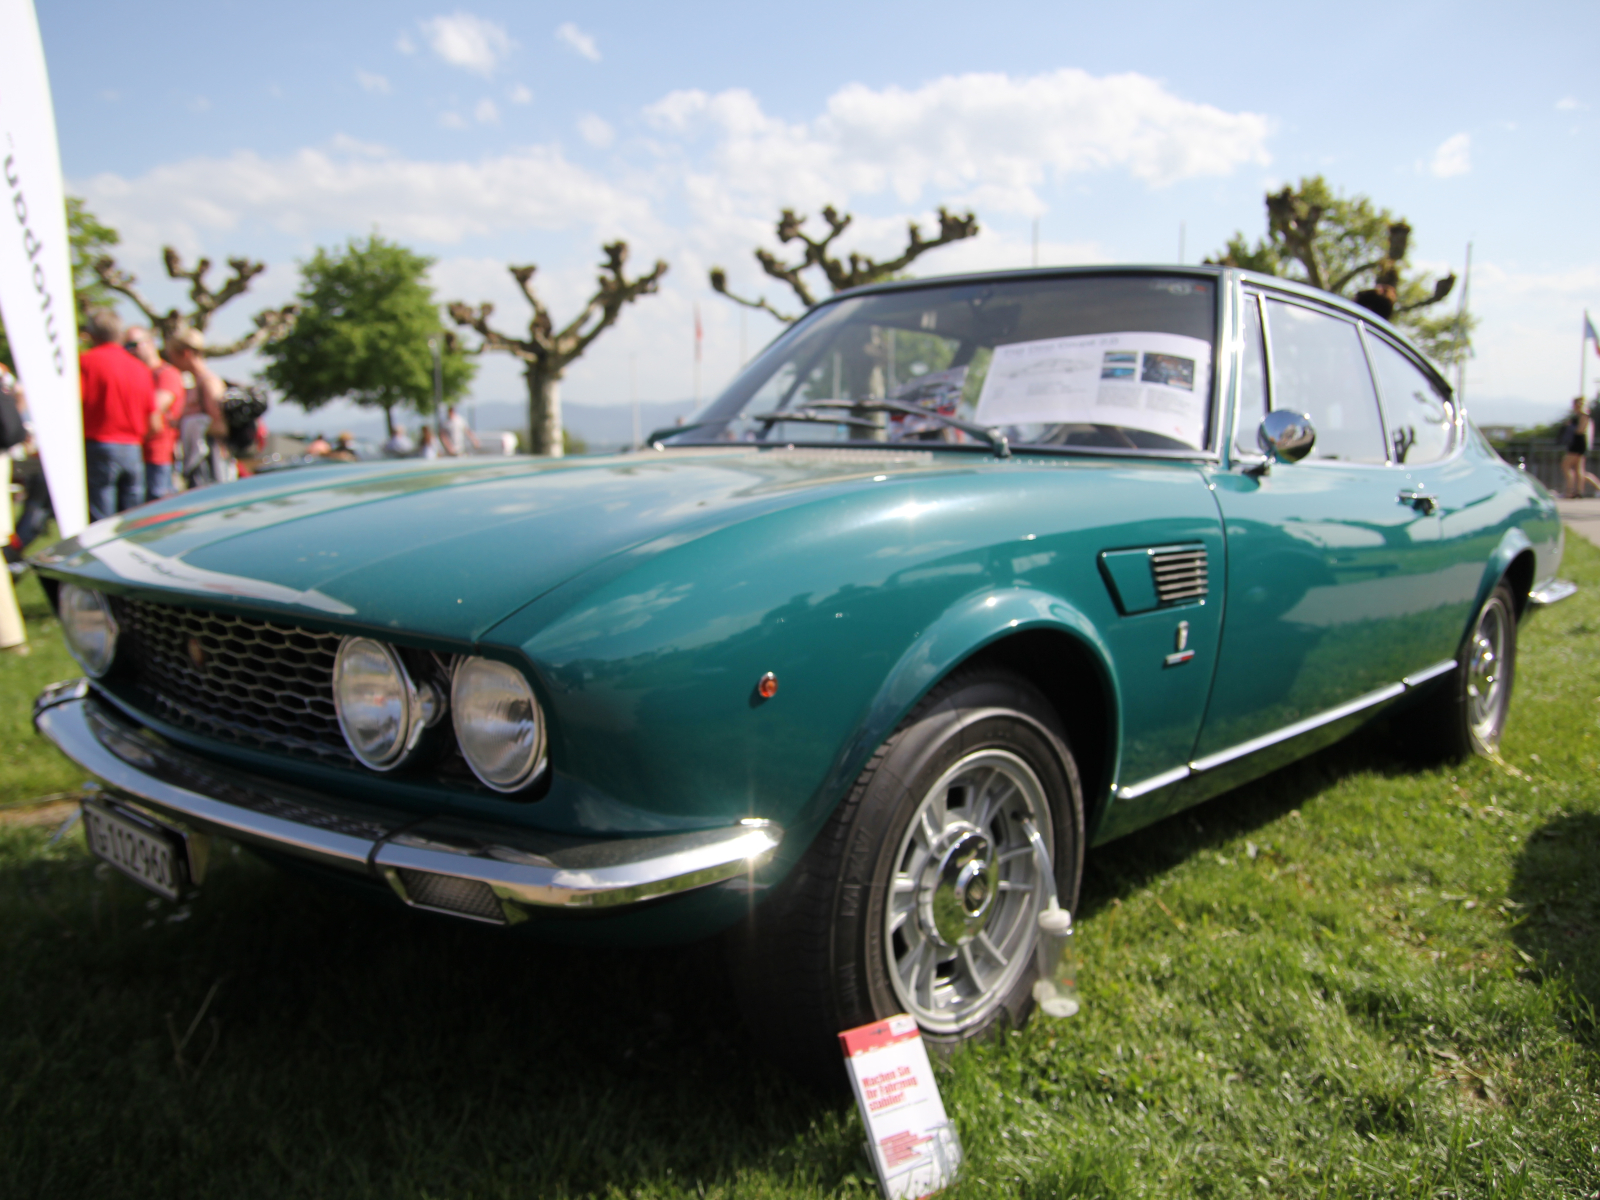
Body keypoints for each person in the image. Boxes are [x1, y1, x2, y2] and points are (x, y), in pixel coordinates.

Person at [80, 308, 158, 521]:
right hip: (132, 447)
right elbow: (154, 421)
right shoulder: (140, 369)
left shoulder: (86, 363)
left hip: (99, 444)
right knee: (132, 518)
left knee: (101, 517)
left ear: (91, 334)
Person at [126, 326, 182, 502]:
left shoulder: (167, 374)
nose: (131, 350)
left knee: (158, 507)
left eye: (135, 344)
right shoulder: (137, 375)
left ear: (150, 344)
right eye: (126, 346)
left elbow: (155, 410)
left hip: (159, 455)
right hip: (136, 454)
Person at [167, 327, 227, 488]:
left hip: (208, 461)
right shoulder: (196, 382)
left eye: (172, 355)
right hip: (196, 460)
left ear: (185, 353)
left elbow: (220, 424)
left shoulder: (208, 383)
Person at [1560, 396, 1599, 499]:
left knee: (1566, 466)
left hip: (1578, 443)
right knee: (1578, 469)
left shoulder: (1583, 416)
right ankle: (1578, 491)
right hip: (1578, 443)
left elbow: (1580, 430)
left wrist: (1569, 428)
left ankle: (1570, 491)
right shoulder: (1577, 416)